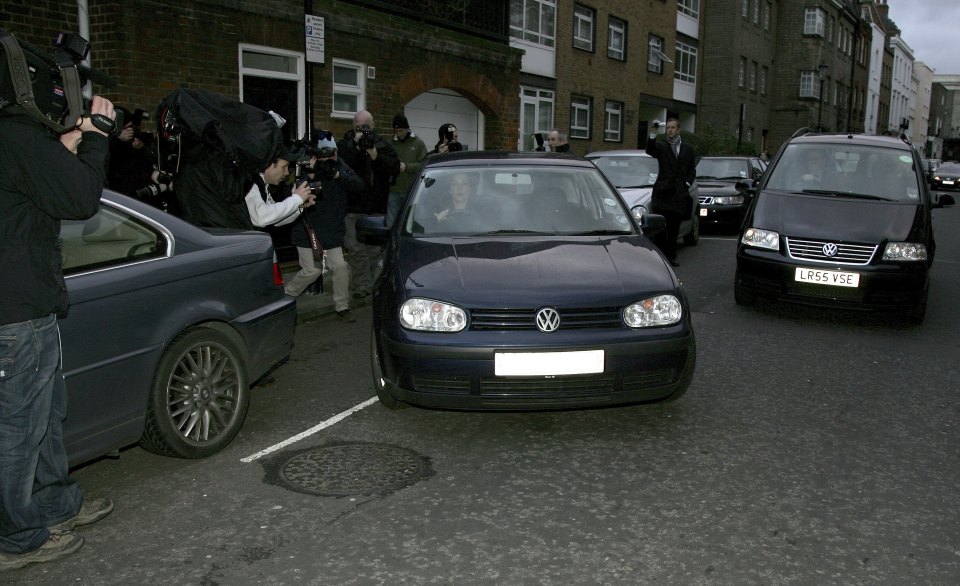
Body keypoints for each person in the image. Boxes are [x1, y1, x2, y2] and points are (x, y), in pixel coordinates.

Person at [0, 95, 117, 569]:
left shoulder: (13, 140)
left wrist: (64, 147)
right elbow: (81, 198)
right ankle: (16, 537)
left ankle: (52, 507)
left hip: (29, 306)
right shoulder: (11, 133)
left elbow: (37, 192)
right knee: (17, 431)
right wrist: (96, 138)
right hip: (14, 313)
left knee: (45, 418)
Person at [284, 132, 365, 321]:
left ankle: (342, 307)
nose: (330, 158)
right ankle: (285, 296)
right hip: (307, 231)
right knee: (312, 271)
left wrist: (337, 174)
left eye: (333, 153)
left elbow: (359, 186)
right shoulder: (306, 171)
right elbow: (300, 197)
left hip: (331, 232)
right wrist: (312, 174)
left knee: (340, 267)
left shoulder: (340, 169)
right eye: (326, 155)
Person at [337, 110, 400, 302]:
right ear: (353, 126)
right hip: (353, 206)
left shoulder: (382, 144)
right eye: (358, 127)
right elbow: (342, 164)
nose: (362, 131)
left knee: (373, 250)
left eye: (365, 127)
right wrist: (356, 147)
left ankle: (369, 283)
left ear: (372, 125)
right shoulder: (345, 144)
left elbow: (395, 168)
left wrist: (375, 155)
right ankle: (361, 286)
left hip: (376, 206)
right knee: (355, 249)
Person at [645, 117, 696, 267]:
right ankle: (661, 260)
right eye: (667, 128)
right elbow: (650, 149)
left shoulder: (687, 149)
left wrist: (686, 184)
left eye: (673, 127)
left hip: (678, 195)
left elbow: (691, 170)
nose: (670, 130)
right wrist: (653, 130)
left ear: (679, 130)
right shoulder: (661, 146)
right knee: (661, 229)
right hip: (662, 194)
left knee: (674, 230)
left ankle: (671, 258)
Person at [244, 147, 315, 228]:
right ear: (269, 165)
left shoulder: (262, 185)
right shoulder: (250, 183)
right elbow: (260, 218)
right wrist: (296, 199)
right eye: (284, 167)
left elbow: (276, 220)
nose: (287, 172)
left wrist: (298, 206)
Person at [387, 114, 427, 227]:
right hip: (394, 189)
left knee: (411, 222)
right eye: (396, 131)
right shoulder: (390, 143)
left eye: (400, 130)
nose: (398, 133)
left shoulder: (418, 143)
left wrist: (407, 167)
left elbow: (424, 166)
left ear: (406, 128)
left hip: (412, 190)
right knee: (391, 222)